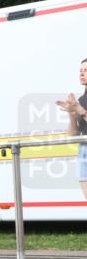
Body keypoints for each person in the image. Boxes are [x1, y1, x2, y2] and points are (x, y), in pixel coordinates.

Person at [56, 56, 87, 199]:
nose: (82, 73)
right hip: (84, 152)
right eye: (81, 70)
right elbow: (73, 135)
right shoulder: (81, 100)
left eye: (86, 70)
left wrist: (80, 111)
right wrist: (72, 114)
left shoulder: (80, 104)